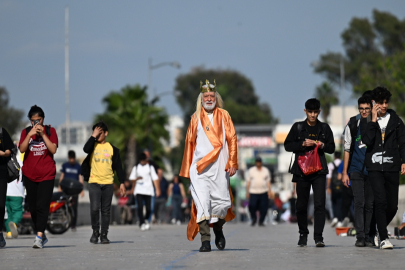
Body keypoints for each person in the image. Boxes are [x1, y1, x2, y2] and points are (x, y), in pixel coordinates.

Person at [179, 79, 238, 252]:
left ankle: (218, 229)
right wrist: (188, 169)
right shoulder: (195, 117)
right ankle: (205, 240)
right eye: (206, 96)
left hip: (220, 168)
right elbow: (189, 143)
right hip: (200, 169)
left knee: (222, 204)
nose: (209, 98)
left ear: (216, 97)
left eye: (212, 95)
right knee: (202, 203)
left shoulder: (224, 115)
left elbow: (232, 138)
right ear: (201, 98)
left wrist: (233, 162)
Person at [284, 98, 335, 247]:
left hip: (319, 171)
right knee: (301, 204)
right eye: (310, 112)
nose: (313, 115)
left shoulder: (324, 128)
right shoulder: (298, 127)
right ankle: (302, 233)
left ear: (319, 112)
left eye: (315, 112)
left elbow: (332, 148)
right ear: (305, 111)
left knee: (320, 204)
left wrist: (322, 145)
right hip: (301, 171)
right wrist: (301, 144)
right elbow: (287, 145)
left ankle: (318, 237)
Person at [361, 86, 405, 249]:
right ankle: (384, 237)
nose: (384, 105)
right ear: (374, 103)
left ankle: (374, 229)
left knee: (392, 206)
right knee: (380, 201)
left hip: (392, 166)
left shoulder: (396, 120)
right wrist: (373, 119)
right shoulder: (367, 120)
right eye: (381, 102)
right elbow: (366, 140)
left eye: (386, 102)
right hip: (374, 167)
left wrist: (404, 161)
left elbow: (403, 142)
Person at [19, 105, 58, 249]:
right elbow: (22, 149)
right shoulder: (25, 132)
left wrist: (43, 135)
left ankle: (39, 236)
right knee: (33, 208)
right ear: (30, 121)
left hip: (47, 175)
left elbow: (53, 149)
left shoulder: (50, 131)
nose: (36, 124)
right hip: (29, 175)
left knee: (43, 206)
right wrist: (30, 135)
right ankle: (41, 233)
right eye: (33, 121)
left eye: (38, 120)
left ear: (43, 119)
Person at [81, 121, 126, 244]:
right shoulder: (92, 146)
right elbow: (85, 149)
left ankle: (104, 234)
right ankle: (95, 231)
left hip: (108, 183)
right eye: (95, 132)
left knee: (106, 210)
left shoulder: (112, 149)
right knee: (95, 208)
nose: (97, 135)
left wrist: (122, 182)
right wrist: (93, 136)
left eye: (100, 132)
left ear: (106, 133)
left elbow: (118, 167)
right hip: (94, 182)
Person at [341, 95, 375, 247]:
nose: (364, 111)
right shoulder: (353, 124)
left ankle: (368, 235)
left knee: (370, 204)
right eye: (361, 109)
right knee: (359, 202)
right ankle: (360, 236)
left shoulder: (376, 124)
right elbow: (347, 149)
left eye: (367, 109)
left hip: (372, 170)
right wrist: (344, 172)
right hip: (356, 169)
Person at [129, 152, 161, 231]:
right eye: (141, 160)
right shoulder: (136, 167)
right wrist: (137, 179)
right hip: (139, 190)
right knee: (139, 207)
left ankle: (146, 219)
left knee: (149, 208)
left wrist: (157, 189)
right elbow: (131, 178)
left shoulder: (150, 167)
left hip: (148, 190)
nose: (143, 162)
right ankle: (142, 223)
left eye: (144, 160)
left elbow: (155, 178)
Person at [58, 150, 84, 231]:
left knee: (74, 207)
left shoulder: (78, 166)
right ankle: (64, 222)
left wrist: (82, 189)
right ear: (69, 158)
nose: (72, 160)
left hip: (75, 190)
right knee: (64, 205)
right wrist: (59, 186)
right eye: (71, 158)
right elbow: (62, 176)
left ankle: (73, 224)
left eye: (73, 158)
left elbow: (80, 178)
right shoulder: (65, 165)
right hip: (66, 189)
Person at [246, 157, 272, 226]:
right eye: (257, 162)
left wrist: (270, 191)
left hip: (263, 191)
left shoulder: (265, 170)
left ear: (261, 163)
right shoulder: (251, 170)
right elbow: (248, 182)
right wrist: (247, 192)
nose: (258, 163)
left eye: (259, 162)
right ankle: (254, 218)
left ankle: (261, 221)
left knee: (264, 207)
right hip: (253, 192)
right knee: (252, 206)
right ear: (255, 163)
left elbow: (268, 182)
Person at [4, 149, 24, 239]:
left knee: (7, 213)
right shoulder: (21, 163)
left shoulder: (4, 163)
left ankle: (9, 233)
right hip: (17, 193)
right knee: (18, 211)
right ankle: (14, 223)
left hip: (5, 192)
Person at [0, 127, 14, 248]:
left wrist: (3, 153)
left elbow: (10, 150)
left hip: (1, 174)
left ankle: (0, 233)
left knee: (0, 204)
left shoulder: (2, 131)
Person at [326, 152, 341, 226]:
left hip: (333, 187)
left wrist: (328, 187)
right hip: (342, 187)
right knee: (340, 202)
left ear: (334, 156)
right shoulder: (342, 163)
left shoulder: (331, 165)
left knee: (333, 202)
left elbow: (329, 177)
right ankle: (340, 218)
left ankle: (335, 217)